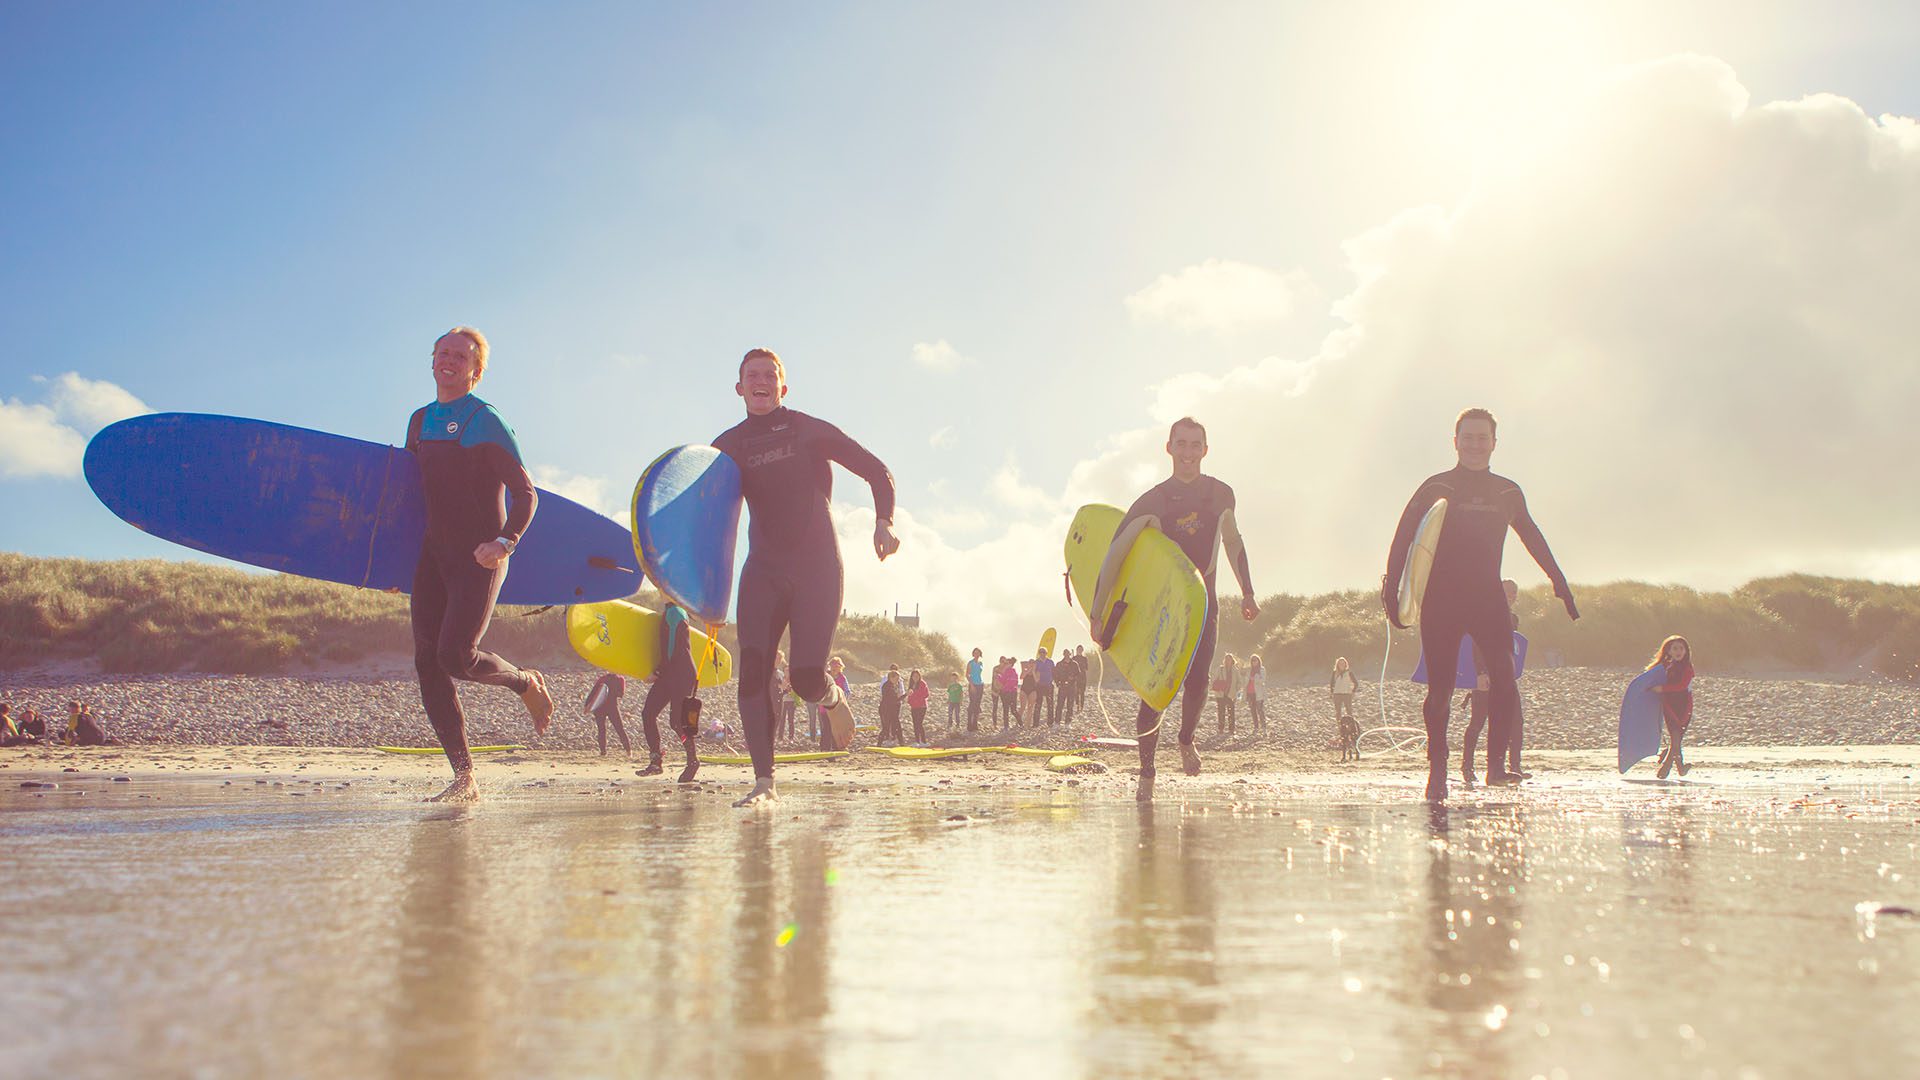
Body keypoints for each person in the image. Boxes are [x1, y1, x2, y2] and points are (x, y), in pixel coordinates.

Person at [714, 348, 897, 806]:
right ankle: (764, 783)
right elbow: (697, 514)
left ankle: (831, 699)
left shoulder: (807, 429)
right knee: (753, 672)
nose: (760, 381)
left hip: (816, 567)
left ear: (783, 387)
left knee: (806, 677)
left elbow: (877, 470)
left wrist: (884, 522)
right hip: (762, 571)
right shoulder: (726, 447)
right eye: (750, 376)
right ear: (739, 388)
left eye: (768, 375)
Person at [1381, 407, 1578, 802]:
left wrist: (1559, 581)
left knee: (1505, 679)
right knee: (1440, 690)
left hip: (1487, 598)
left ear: (1493, 443)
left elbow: (1532, 536)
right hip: (1442, 599)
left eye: (1482, 437)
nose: (1474, 444)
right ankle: (1437, 772)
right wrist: (1392, 588)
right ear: (1455, 442)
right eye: (1467, 437)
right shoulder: (1435, 486)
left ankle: (1495, 768)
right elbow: (1405, 537)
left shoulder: (1506, 492)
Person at [404, 327, 555, 803]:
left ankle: (524, 682)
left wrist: (505, 542)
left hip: (480, 556)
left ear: (476, 370)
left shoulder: (486, 420)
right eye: (442, 353)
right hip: (433, 555)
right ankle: (464, 775)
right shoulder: (419, 421)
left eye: (461, 356)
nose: (449, 361)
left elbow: (526, 493)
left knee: (456, 656)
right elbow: (410, 500)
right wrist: (391, 567)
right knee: (427, 661)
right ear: (432, 362)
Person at [1092, 417, 1258, 800]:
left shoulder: (1220, 495)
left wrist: (1248, 592)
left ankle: (1186, 739)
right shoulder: (1154, 502)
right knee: (1154, 690)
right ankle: (1147, 771)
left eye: (1194, 444)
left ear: (1205, 449)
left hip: (1205, 606)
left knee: (1199, 682)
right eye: (1180, 444)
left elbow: (1233, 542)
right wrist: (1097, 614)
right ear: (1169, 448)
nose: (1187, 452)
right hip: (1164, 609)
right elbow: (1114, 555)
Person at [1461, 579, 1524, 785]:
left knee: (1515, 722)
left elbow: (1511, 649)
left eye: (1514, 593)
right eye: (1507, 592)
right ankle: (1467, 767)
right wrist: (1479, 673)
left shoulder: (1512, 618)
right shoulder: (1484, 616)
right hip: (1486, 678)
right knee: (1478, 723)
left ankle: (1514, 768)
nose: (1511, 596)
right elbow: (1476, 645)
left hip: (1505, 678)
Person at [637, 601, 700, 780]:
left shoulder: (675, 612)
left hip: (681, 673)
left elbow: (674, 650)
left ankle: (693, 762)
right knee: (648, 713)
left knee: (677, 722)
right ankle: (655, 761)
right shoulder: (671, 612)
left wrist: (657, 672)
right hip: (670, 672)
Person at [1650, 636, 1696, 779]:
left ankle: (1668, 767)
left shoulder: (1688, 668)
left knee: (1676, 739)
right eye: (1675, 648)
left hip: (1684, 707)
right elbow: (1652, 679)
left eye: (1681, 648)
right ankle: (1679, 768)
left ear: (1686, 651)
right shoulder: (1665, 667)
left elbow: (1681, 686)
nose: (1678, 651)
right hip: (1669, 706)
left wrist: (1662, 689)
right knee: (1675, 739)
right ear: (1668, 651)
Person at [584, 670, 630, 759]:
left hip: (609, 707)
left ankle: (628, 751)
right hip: (602, 707)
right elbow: (594, 692)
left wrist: (587, 705)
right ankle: (603, 752)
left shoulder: (618, 679)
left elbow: (621, 694)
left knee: (618, 728)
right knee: (603, 729)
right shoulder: (604, 679)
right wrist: (587, 706)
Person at [1329, 656, 1359, 734]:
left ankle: (1352, 728)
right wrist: (1332, 692)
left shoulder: (1349, 673)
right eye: (1340, 663)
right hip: (1337, 694)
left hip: (1347, 694)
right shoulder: (1335, 673)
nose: (1341, 665)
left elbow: (1356, 683)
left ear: (1346, 664)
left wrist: (1353, 692)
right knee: (1338, 712)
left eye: (1343, 663)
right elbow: (1332, 683)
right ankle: (1340, 728)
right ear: (1337, 664)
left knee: (1349, 711)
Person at [878, 666, 905, 745]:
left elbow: (896, 699)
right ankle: (878, 745)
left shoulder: (894, 685)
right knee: (886, 728)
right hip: (886, 710)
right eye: (896, 679)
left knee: (897, 726)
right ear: (891, 678)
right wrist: (906, 695)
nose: (898, 681)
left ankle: (902, 744)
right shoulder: (887, 686)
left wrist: (904, 695)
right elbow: (894, 700)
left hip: (893, 709)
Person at [1214, 652, 1238, 735]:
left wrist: (1236, 690)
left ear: (1232, 660)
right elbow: (1214, 680)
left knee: (1231, 712)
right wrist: (1216, 689)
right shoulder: (1220, 669)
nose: (1228, 661)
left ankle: (1231, 729)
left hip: (1230, 694)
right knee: (1221, 712)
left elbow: (1239, 682)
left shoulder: (1235, 670)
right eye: (1226, 659)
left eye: (1229, 659)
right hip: (1220, 694)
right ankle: (1221, 729)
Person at [1245, 654, 1268, 734]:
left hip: (1259, 693)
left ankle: (1264, 728)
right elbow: (1246, 681)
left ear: (1258, 661)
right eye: (1252, 660)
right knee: (1253, 711)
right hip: (1250, 692)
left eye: (1255, 660)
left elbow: (1263, 680)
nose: (1254, 662)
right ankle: (1256, 727)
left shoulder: (1262, 669)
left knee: (1260, 710)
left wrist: (1254, 679)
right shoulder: (1249, 670)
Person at [906, 669, 930, 744]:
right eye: (914, 676)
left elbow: (926, 694)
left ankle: (924, 741)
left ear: (919, 676)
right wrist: (910, 701)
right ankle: (917, 741)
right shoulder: (911, 685)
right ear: (912, 677)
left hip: (922, 706)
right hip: (914, 707)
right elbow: (909, 696)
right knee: (915, 724)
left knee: (919, 723)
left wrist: (915, 696)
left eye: (917, 676)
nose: (915, 677)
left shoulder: (922, 683)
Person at [995, 657, 1019, 730]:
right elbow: (1003, 680)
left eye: (1006, 663)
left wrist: (999, 677)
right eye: (1004, 663)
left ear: (1011, 664)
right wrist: (998, 676)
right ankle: (1006, 726)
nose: (1005, 665)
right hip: (1007, 692)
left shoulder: (1013, 672)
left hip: (1010, 692)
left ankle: (1019, 723)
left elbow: (1011, 682)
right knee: (1007, 709)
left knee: (1012, 710)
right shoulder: (1006, 671)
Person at [966, 648, 986, 731]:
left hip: (980, 684)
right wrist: (972, 685)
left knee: (977, 704)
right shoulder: (970, 663)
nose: (976, 654)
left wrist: (982, 684)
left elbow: (979, 674)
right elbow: (967, 675)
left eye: (978, 653)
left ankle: (975, 723)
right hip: (973, 684)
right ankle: (969, 724)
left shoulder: (981, 663)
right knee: (972, 703)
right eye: (975, 653)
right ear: (973, 654)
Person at [1036, 648, 1057, 726]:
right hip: (1039, 685)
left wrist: (1056, 682)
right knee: (1038, 704)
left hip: (1049, 685)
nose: (1042, 654)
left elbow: (1054, 672)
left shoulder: (1050, 662)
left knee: (1050, 704)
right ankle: (1035, 723)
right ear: (1039, 653)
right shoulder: (1036, 662)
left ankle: (1050, 722)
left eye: (1044, 652)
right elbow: (1034, 673)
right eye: (1041, 652)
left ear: (1046, 653)